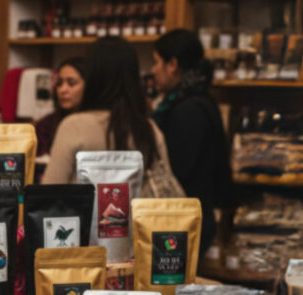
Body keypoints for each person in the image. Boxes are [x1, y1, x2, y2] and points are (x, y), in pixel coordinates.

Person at [43, 37, 173, 186]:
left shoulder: (75, 127)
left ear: (92, 77)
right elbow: (166, 187)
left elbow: (50, 191)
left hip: (85, 209)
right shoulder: (148, 128)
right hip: (136, 209)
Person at [151, 29, 231, 254]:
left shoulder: (187, 110)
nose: (153, 70)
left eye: (157, 62)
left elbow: (178, 170)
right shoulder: (198, 100)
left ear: (173, 64)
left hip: (185, 220)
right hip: (194, 216)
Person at [34, 58, 84, 157]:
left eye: (71, 83)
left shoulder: (96, 124)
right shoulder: (46, 125)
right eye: (59, 83)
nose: (62, 90)